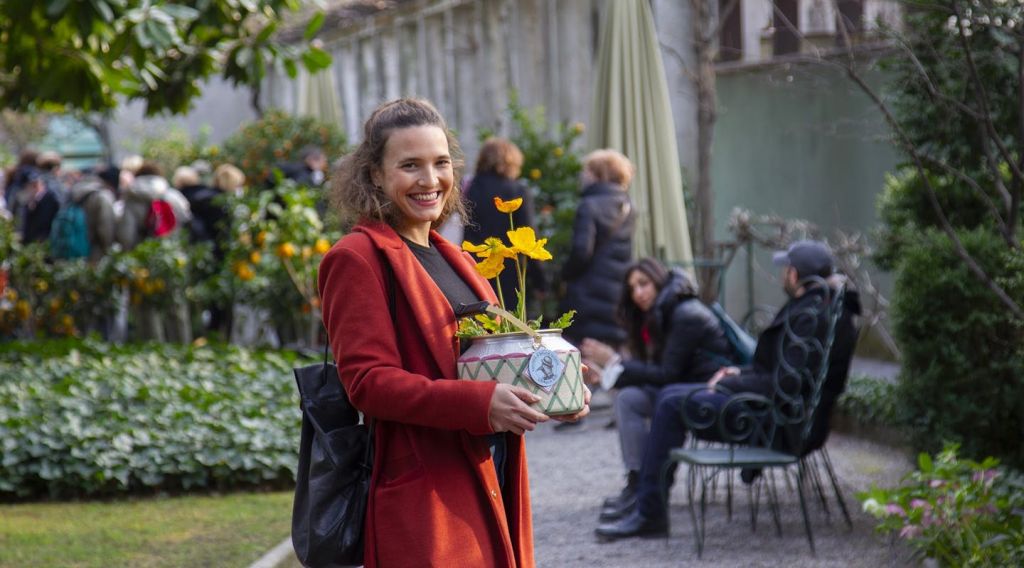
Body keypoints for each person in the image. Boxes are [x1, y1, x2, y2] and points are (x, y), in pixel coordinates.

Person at [319, 98, 589, 567]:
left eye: (440, 163)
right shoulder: (357, 257)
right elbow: (367, 383)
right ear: (376, 175)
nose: (430, 181)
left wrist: (551, 386)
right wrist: (478, 404)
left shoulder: (457, 258)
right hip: (429, 489)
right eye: (410, 165)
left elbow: (484, 358)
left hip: (492, 468)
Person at [595, 240, 861, 540]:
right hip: (779, 414)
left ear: (795, 274)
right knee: (671, 396)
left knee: (670, 404)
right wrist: (738, 373)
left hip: (777, 424)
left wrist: (729, 383)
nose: (784, 274)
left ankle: (649, 513)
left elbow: (785, 384)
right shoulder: (819, 307)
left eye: (787, 269)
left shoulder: (811, 315)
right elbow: (782, 373)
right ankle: (645, 503)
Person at [582, 258, 734, 523]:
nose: (638, 293)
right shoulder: (659, 312)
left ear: (658, 280)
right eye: (632, 288)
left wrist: (614, 364)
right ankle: (636, 482)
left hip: (711, 392)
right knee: (628, 399)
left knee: (641, 399)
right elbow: (656, 371)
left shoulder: (686, 314)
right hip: (680, 388)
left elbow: (667, 374)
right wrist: (610, 372)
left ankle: (646, 493)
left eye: (644, 284)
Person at [560, 149, 637, 349]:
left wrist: (564, 274)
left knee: (582, 353)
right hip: (617, 292)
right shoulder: (628, 206)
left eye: (588, 171)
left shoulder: (589, 205)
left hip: (588, 292)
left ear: (598, 174)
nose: (584, 175)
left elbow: (581, 252)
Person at [463, 137, 546, 309]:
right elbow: (529, 237)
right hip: (509, 271)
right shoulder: (517, 190)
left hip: (474, 265)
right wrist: (540, 281)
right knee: (509, 325)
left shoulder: (469, 187)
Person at [19, 168, 60, 244]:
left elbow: (48, 224)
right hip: (32, 245)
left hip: (45, 245)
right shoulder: (30, 201)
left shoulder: (51, 199)